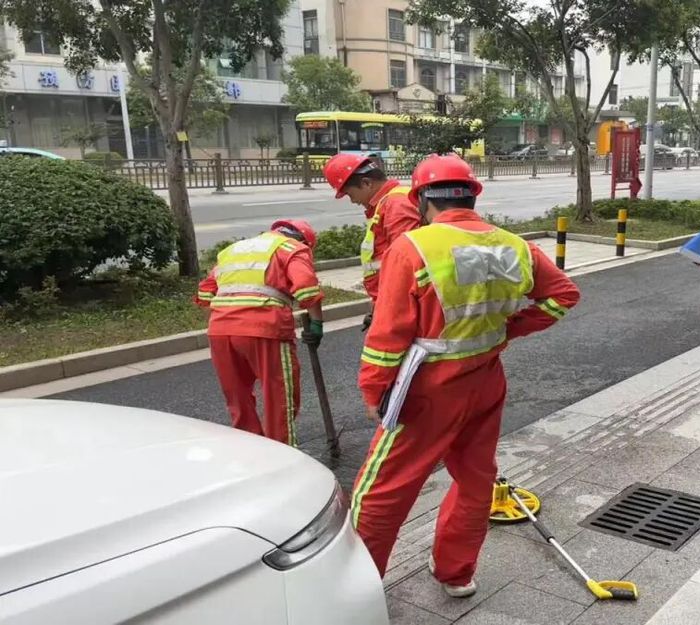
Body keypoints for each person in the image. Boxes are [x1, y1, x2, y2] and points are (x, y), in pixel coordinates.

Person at [350, 154, 581, 595]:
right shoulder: (515, 245)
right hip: (486, 378)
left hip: (428, 386)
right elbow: (563, 295)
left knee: (381, 490)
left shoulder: (414, 247)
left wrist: (374, 391)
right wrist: (509, 329)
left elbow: (387, 336)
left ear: (422, 200)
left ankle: (356, 590)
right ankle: (456, 573)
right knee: (476, 481)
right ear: (472, 195)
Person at [195, 219, 325, 446]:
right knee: (279, 397)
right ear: (304, 241)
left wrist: (227, 317)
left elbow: (205, 293)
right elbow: (306, 288)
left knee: (238, 398)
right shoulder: (292, 248)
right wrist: (317, 324)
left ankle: (251, 450)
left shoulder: (234, 250)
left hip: (220, 331)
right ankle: (282, 453)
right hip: (265, 329)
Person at [322, 153, 422, 330]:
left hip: (400, 304)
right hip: (392, 301)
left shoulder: (396, 205)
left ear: (367, 183)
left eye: (350, 194)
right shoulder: (386, 204)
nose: (353, 201)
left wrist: (387, 309)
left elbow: (405, 265)